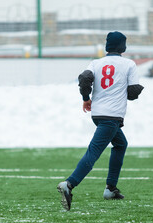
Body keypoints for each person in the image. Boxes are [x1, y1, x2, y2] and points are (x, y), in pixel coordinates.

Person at [57, 31, 144, 211]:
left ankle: (110, 189)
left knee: (121, 144)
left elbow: (84, 78)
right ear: (123, 46)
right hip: (112, 116)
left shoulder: (96, 63)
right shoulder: (129, 64)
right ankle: (69, 184)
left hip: (98, 114)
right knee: (94, 151)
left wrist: (85, 97)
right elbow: (133, 92)